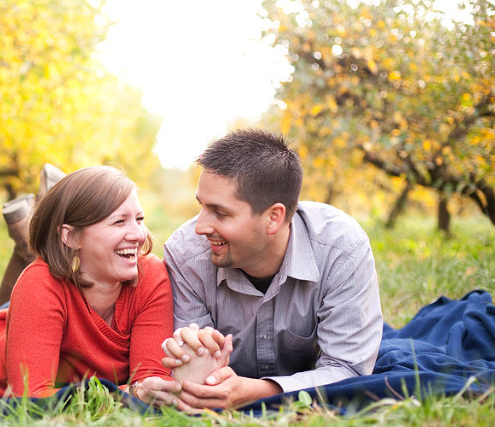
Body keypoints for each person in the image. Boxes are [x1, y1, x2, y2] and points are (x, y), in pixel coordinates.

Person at [148, 128, 383, 411]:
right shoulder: (185, 255)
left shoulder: (341, 249)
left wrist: (256, 392)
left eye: (220, 212)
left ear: (274, 218)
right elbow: (195, 378)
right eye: (202, 207)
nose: (200, 227)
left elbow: (349, 370)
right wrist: (192, 356)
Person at [0, 165, 175, 400]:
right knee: (41, 272)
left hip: (67, 277)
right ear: (70, 236)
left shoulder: (150, 274)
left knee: (58, 264)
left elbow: (151, 382)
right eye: (119, 222)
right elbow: (31, 398)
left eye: (139, 219)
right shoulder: (38, 285)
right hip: (20, 319)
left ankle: (39, 226)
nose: (139, 235)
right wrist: (127, 394)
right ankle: (30, 238)